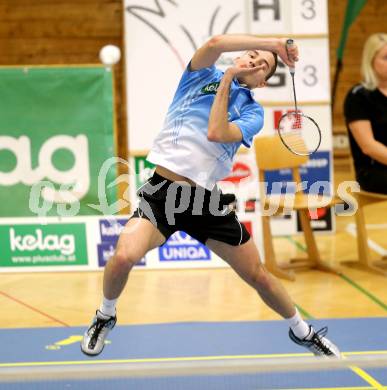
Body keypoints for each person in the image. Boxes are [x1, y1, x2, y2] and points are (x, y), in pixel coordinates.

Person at [81, 34, 340, 357]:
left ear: (261, 84)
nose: (255, 61)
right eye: (252, 55)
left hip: (206, 203)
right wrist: (273, 45)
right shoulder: (200, 74)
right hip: (162, 194)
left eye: (263, 66)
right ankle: (105, 315)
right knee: (122, 257)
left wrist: (231, 78)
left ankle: (304, 332)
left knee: (258, 275)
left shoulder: (252, 112)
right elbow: (216, 42)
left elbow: (216, 132)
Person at [344, 33, 387, 194]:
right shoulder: (359, 96)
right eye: (386, 57)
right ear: (371, 61)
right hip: (373, 171)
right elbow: (369, 147)